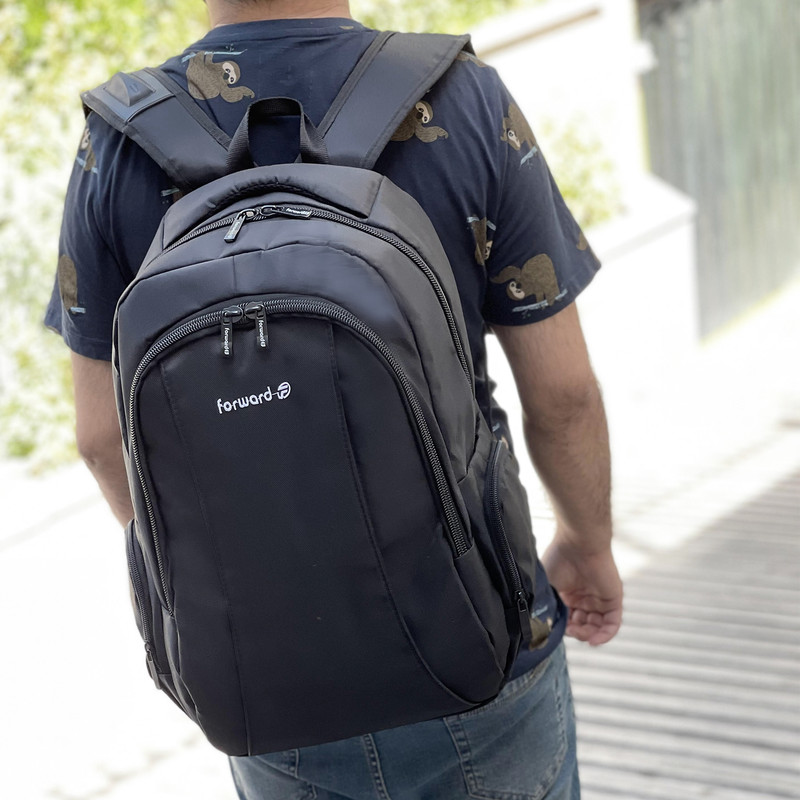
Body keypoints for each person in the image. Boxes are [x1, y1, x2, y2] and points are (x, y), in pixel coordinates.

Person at [45, 1, 623, 797]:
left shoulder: (116, 141)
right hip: (478, 630)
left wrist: (235, 573)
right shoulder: (460, 96)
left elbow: (101, 438)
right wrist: (586, 546)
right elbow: (562, 395)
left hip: (266, 676)